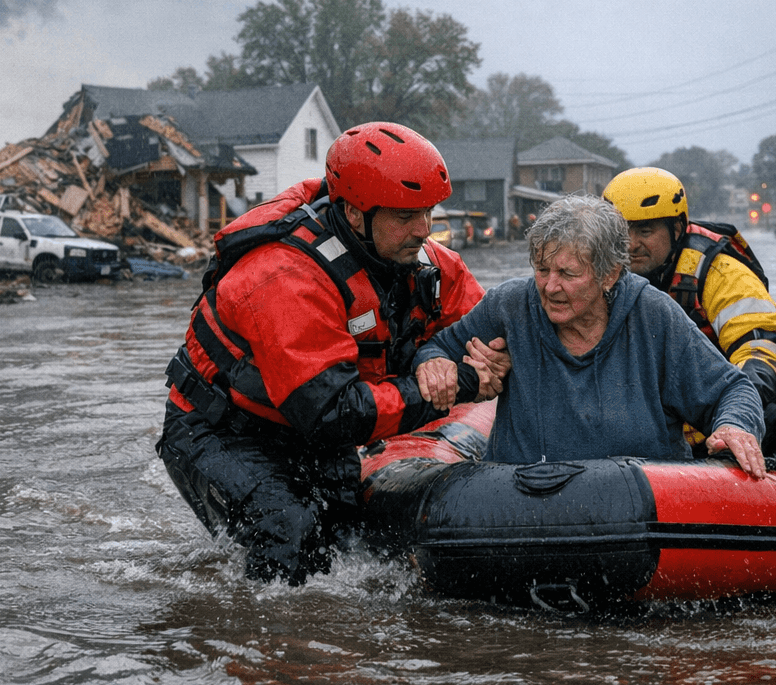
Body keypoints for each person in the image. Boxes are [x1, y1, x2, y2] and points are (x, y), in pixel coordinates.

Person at [155, 122, 511, 585]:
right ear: (355, 214)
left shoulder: (429, 265)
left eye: (427, 212)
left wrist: (489, 360)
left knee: (361, 538)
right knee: (290, 533)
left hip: (310, 433)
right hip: (221, 429)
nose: (424, 231)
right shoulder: (285, 277)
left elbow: (488, 336)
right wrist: (457, 383)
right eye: (405, 217)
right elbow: (332, 412)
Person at [415, 194, 767, 477]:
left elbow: (732, 389)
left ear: (609, 275)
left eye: (568, 273)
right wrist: (434, 363)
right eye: (542, 269)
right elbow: (440, 345)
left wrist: (735, 426)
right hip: (520, 505)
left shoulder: (653, 315)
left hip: (642, 509)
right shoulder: (511, 305)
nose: (550, 287)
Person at [602, 167, 776, 452]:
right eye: (621, 232)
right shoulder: (597, 271)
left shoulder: (721, 272)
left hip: (721, 410)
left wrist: (735, 412)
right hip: (654, 414)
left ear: (676, 229)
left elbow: (759, 348)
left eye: (645, 231)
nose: (631, 245)